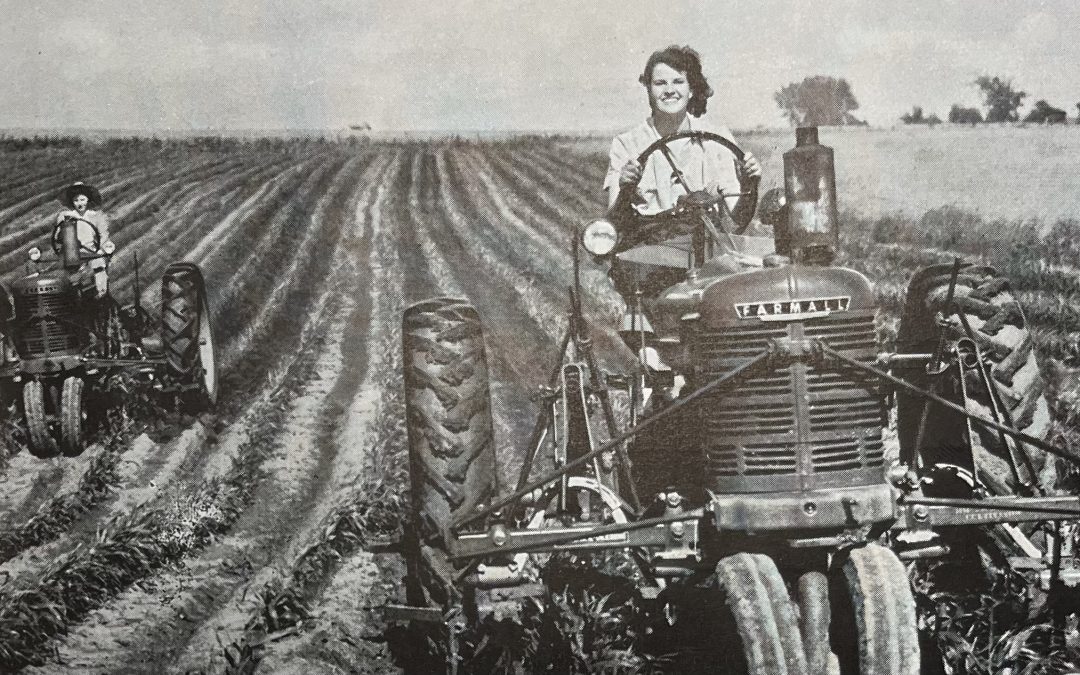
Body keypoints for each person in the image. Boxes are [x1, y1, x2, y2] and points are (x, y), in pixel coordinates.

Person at [603, 45, 764, 321]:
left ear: (692, 89)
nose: (669, 90)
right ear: (649, 90)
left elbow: (736, 222)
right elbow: (614, 224)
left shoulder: (717, 138)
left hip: (710, 256)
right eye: (660, 83)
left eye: (678, 81)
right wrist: (627, 186)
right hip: (653, 262)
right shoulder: (626, 144)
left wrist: (750, 186)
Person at [55, 182, 113, 297]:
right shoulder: (65, 216)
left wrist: (100, 251)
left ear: (88, 199)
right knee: (64, 274)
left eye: (82, 200)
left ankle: (101, 293)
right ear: (72, 202)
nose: (79, 203)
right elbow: (57, 237)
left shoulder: (96, 216)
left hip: (91, 251)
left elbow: (103, 235)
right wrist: (63, 231)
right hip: (71, 252)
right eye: (76, 200)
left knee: (98, 264)